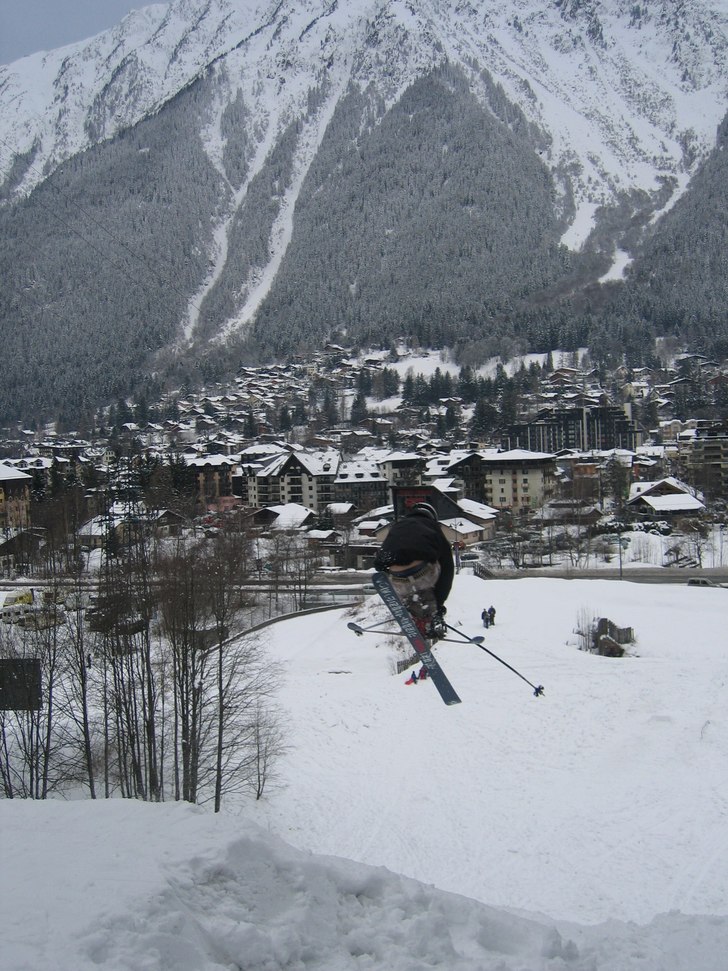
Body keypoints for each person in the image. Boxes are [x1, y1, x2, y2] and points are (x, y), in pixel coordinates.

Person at [374, 501, 454, 639]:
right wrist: (439, 605)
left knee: (410, 592)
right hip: (422, 574)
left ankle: (414, 612)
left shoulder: (397, 526)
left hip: (396, 576)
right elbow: (448, 569)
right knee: (438, 564)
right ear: (432, 517)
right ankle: (429, 618)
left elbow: (380, 560)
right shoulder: (433, 527)